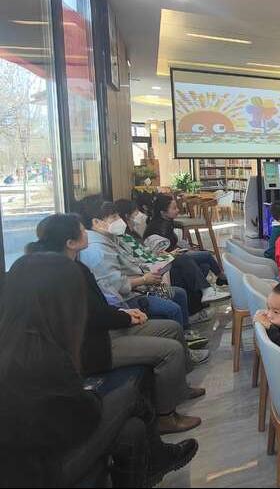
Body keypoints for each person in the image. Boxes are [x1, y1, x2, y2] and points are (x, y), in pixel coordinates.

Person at [0, 253, 198, 487]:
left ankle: (157, 459)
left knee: (131, 430)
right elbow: (85, 416)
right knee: (130, 397)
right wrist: (93, 395)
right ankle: (159, 454)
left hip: (32, 456)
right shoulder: (42, 354)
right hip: (40, 471)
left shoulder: (16, 339)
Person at [27, 213, 206, 433]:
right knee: (170, 350)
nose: (87, 233)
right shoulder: (65, 273)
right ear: (70, 243)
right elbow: (92, 315)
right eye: (82, 231)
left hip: (103, 329)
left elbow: (97, 307)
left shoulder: (74, 265)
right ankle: (165, 416)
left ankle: (180, 388)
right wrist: (126, 317)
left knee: (172, 328)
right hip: (92, 346)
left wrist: (124, 313)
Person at [76, 196, 207, 348]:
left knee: (180, 291)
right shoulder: (97, 250)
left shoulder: (111, 238)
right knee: (173, 308)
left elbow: (134, 261)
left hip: (139, 285)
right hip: (127, 298)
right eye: (114, 217)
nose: (119, 220)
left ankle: (186, 335)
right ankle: (183, 347)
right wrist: (145, 279)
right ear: (96, 222)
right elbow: (116, 285)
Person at [115, 199, 229, 316]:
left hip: (155, 264)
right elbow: (142, 262)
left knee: (203, 265)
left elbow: (145, 255)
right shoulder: (124, 239)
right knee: (189, 258)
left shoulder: (130, 235)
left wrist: (167, 255)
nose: (140, 216)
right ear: (126, 216)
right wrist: (168, 256)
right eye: (136, 213)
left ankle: (198, 303)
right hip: (151, 271)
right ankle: (210, 287)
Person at [143, 193, 227, 287]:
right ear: (163, 212)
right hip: (168, 262)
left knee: (205, 265)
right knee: (207, 255)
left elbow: (172, 245)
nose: (178, 210)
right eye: (174, 208)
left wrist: (186, 250)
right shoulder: (161, 228)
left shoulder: (165, 221)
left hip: (174, 256)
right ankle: (220, 278)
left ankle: (198, 290)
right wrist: (183, 252)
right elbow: (163, 254)